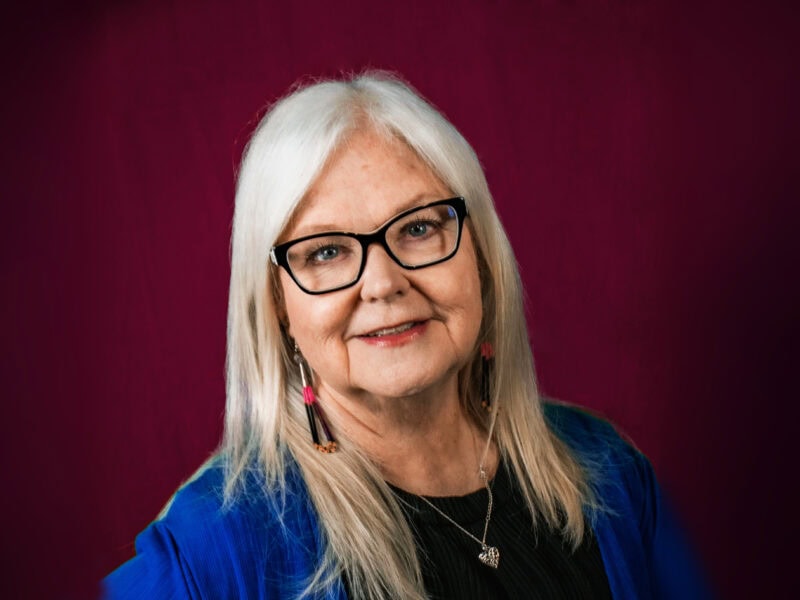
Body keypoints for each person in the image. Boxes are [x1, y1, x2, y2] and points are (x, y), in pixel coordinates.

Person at [104, 71, 709, 599]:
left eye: (419, 227)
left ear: (481, 257)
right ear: (278, 307)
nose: (383, 282)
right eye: (327, 252)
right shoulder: (215, 550)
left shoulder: (610, 473)